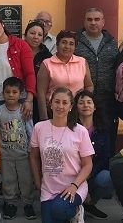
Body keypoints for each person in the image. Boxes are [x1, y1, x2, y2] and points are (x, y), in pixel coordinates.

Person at [29, 87, 93, 223]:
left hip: (74, 187)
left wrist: (74, 186)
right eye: (57, 102)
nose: (60, 106)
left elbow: (88, 165)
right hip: (48, 188)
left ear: (71, 106)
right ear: (50, 104)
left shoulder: (80, 131)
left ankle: (76, 210)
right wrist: (37, 181)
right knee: (52, 215)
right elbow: (33, 157)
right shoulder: (39, 128)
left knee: (58, 210)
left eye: (65, 103)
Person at [74, 8, 119, 155]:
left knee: (107, 137)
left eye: (97, 19)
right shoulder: (76, 42)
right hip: (84, 100)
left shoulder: (112, 42)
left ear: (103, 22)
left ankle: (105, 172)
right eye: (89, 19)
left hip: (108, 100)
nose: (93, 23)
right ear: (84, 22)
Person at [0, 77, 36, 220]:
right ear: (3, 93)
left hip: (23, 155)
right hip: (6, 155)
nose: (11, 95)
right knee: (8, 181)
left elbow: (31, 131)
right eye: (8, 92)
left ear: (21, 94)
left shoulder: (24, 110)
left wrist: (31, 151)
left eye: (14, 92)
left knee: (26, 181)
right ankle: (10, 204)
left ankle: (28, 204)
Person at [0, 12, 35, 122]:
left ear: (2, 24)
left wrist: (29, 100)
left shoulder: (20, 45)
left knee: (19, 134)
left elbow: (30, 74)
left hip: (18, 99)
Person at [36, 30, 94, 120]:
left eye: (71, 44)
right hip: (55, 111)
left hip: (77, 112)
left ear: (75, 47)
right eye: (64, 42)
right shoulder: (47, 64)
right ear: (57, 44)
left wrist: (84, 102)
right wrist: (44, 117)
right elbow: (41, 93)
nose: (67, 46)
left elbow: (89, 86)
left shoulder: (82, 62)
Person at [73, 90, 112, 219]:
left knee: (106, 177)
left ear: (95, 107)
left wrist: (86, 177)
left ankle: (89, 203)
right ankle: (76, 204)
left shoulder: (102, 129)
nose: (85, 105)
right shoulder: (70, 128)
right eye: (81, 102)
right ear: (75, 107)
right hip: (72, 173)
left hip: (92, 173)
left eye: (89, 102)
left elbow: (104, 159)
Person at [23, 21, 52, 124]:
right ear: (25, 34)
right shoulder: (17, 50)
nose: (36, 37)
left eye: (40, 35)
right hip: (18, 96)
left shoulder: (47, 55)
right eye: (32, 33)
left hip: (39, 99)